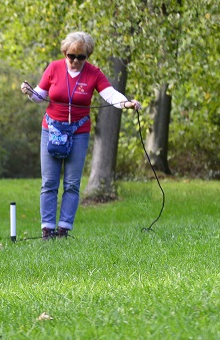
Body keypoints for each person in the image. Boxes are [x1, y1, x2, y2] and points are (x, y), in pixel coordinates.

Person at [20, 31, 140, 239]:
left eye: (81, 57)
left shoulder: (94, 73)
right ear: (65, 53)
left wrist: (127, 103)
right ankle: (47, 230)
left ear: (87, 56)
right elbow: (40, 96)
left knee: (72, 184)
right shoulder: (54, 68)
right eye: (71, 56)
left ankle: (63, 230)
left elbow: (109, 94)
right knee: (49, 182)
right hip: (51, 129)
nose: (75, 61)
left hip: (79, 132)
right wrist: (30, 92)